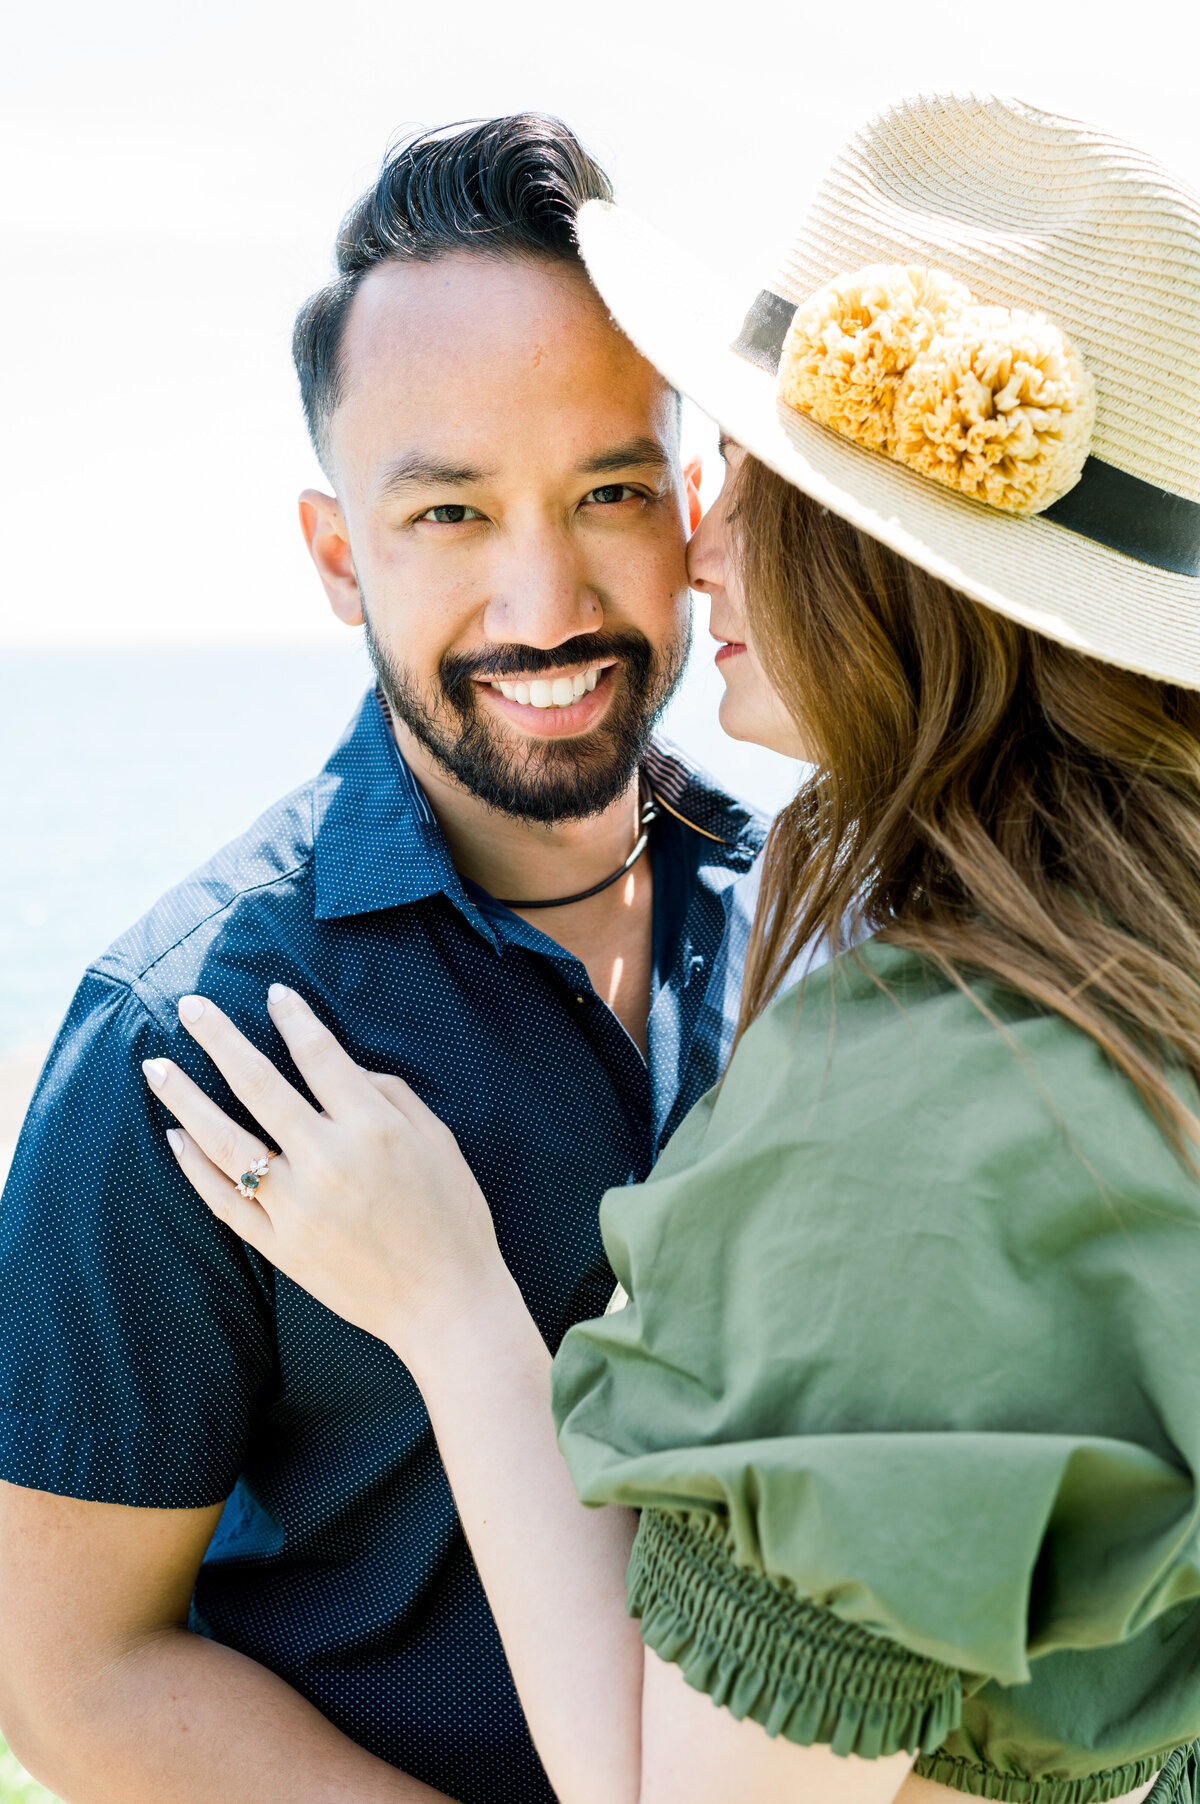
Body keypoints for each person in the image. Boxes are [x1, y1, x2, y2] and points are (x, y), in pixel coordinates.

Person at [143, 93, 1200, 1804]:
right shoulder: (1133, 963)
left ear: (893, 576)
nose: (696, 542)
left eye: (738, 481)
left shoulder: (921, 1119)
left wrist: (458, 1312)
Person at [0, 116, 768, 1804]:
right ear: (342, 556)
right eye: (448, 515)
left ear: (696, 507)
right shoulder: (187, 1034)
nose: (542, 595)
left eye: (611, 491)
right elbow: (67, 1673)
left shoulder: (814, 939)